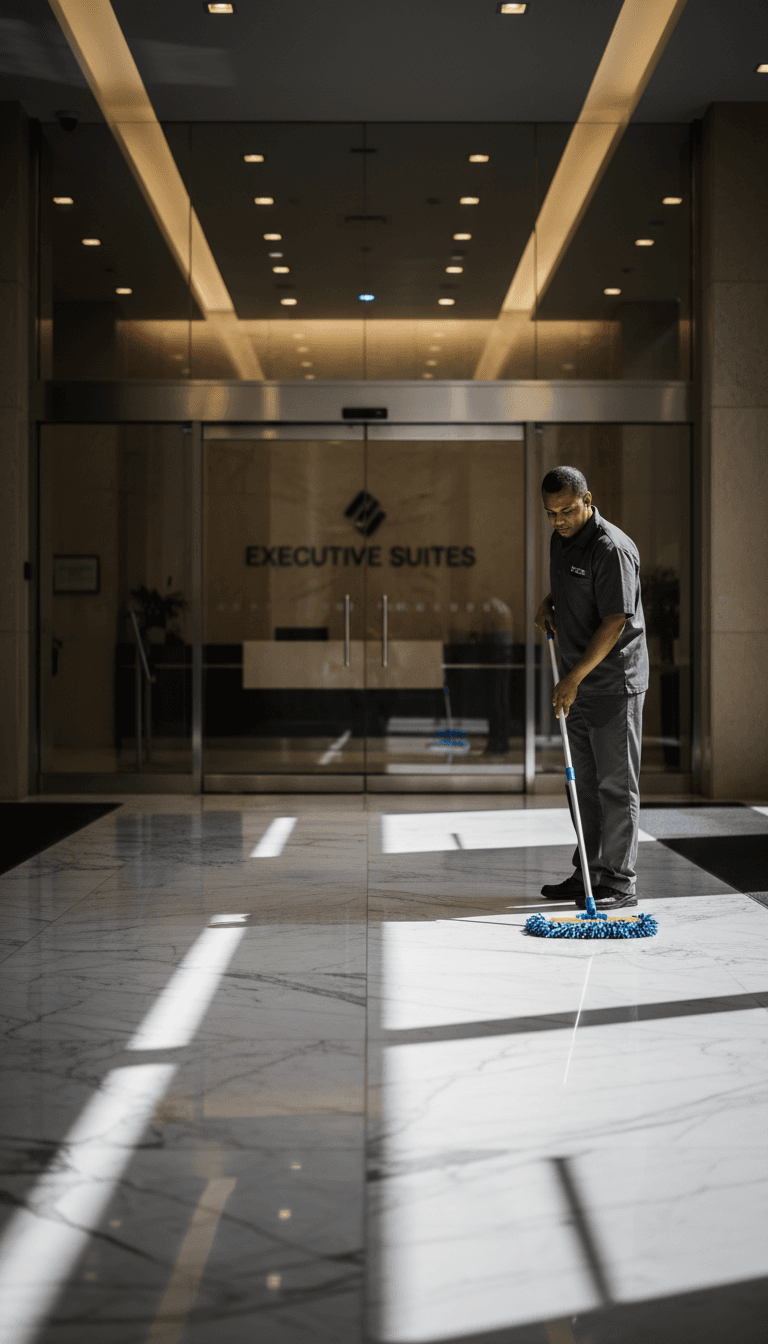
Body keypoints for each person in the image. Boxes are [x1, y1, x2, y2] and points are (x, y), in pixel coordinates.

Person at [534, 465, 649, 911]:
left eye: (566, 510)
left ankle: (619, 882)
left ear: (588, 498)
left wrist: (573, 678)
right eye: (550, 513)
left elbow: (615, 619)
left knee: (616, 786)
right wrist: (550, 602)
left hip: (612, 685)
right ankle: (589, 872)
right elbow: (573, 590)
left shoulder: (612, 548)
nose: (558, 520)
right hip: (576, 686)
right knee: (582, 784)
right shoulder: (560, 541)